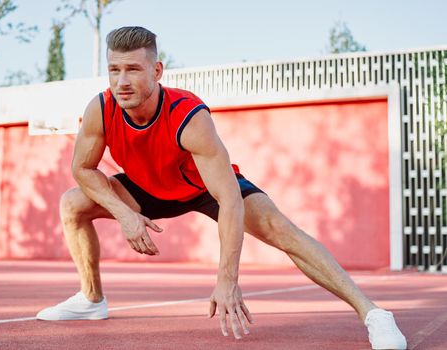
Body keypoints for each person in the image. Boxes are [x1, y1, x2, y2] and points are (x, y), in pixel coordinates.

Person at [36, 26, 407, 349]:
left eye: (133, 69)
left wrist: (227, 280)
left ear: (157, 70)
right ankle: (91, 299)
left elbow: (229, 199)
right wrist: (124, 213)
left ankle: (373, 313)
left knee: (282, 230)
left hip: (204, 188)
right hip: (145, 187)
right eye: (114, 70)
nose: (122, 81)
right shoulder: (102, 108)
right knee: (73, 203)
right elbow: (81, 168)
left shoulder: (188, 116)